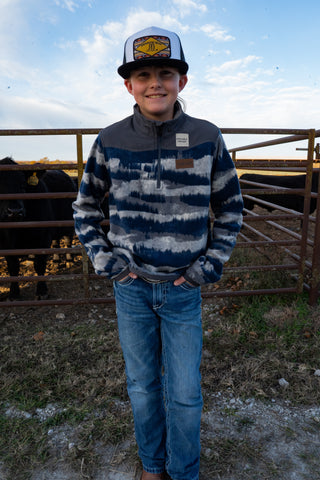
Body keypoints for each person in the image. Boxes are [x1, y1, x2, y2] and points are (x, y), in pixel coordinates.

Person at [73, 26, 243, 480]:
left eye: (166, 72)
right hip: (131, 289)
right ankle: (152, 466)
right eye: (143, 74)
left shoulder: (207, 137)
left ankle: (183, 470)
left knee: (185, 392)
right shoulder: (110, 140)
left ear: (181, 82)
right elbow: (86, 207)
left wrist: (207, 267)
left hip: (184, 289)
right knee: (143, 388)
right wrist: (109, 263)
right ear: (128, 85)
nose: (155, 83)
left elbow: (230, 208)